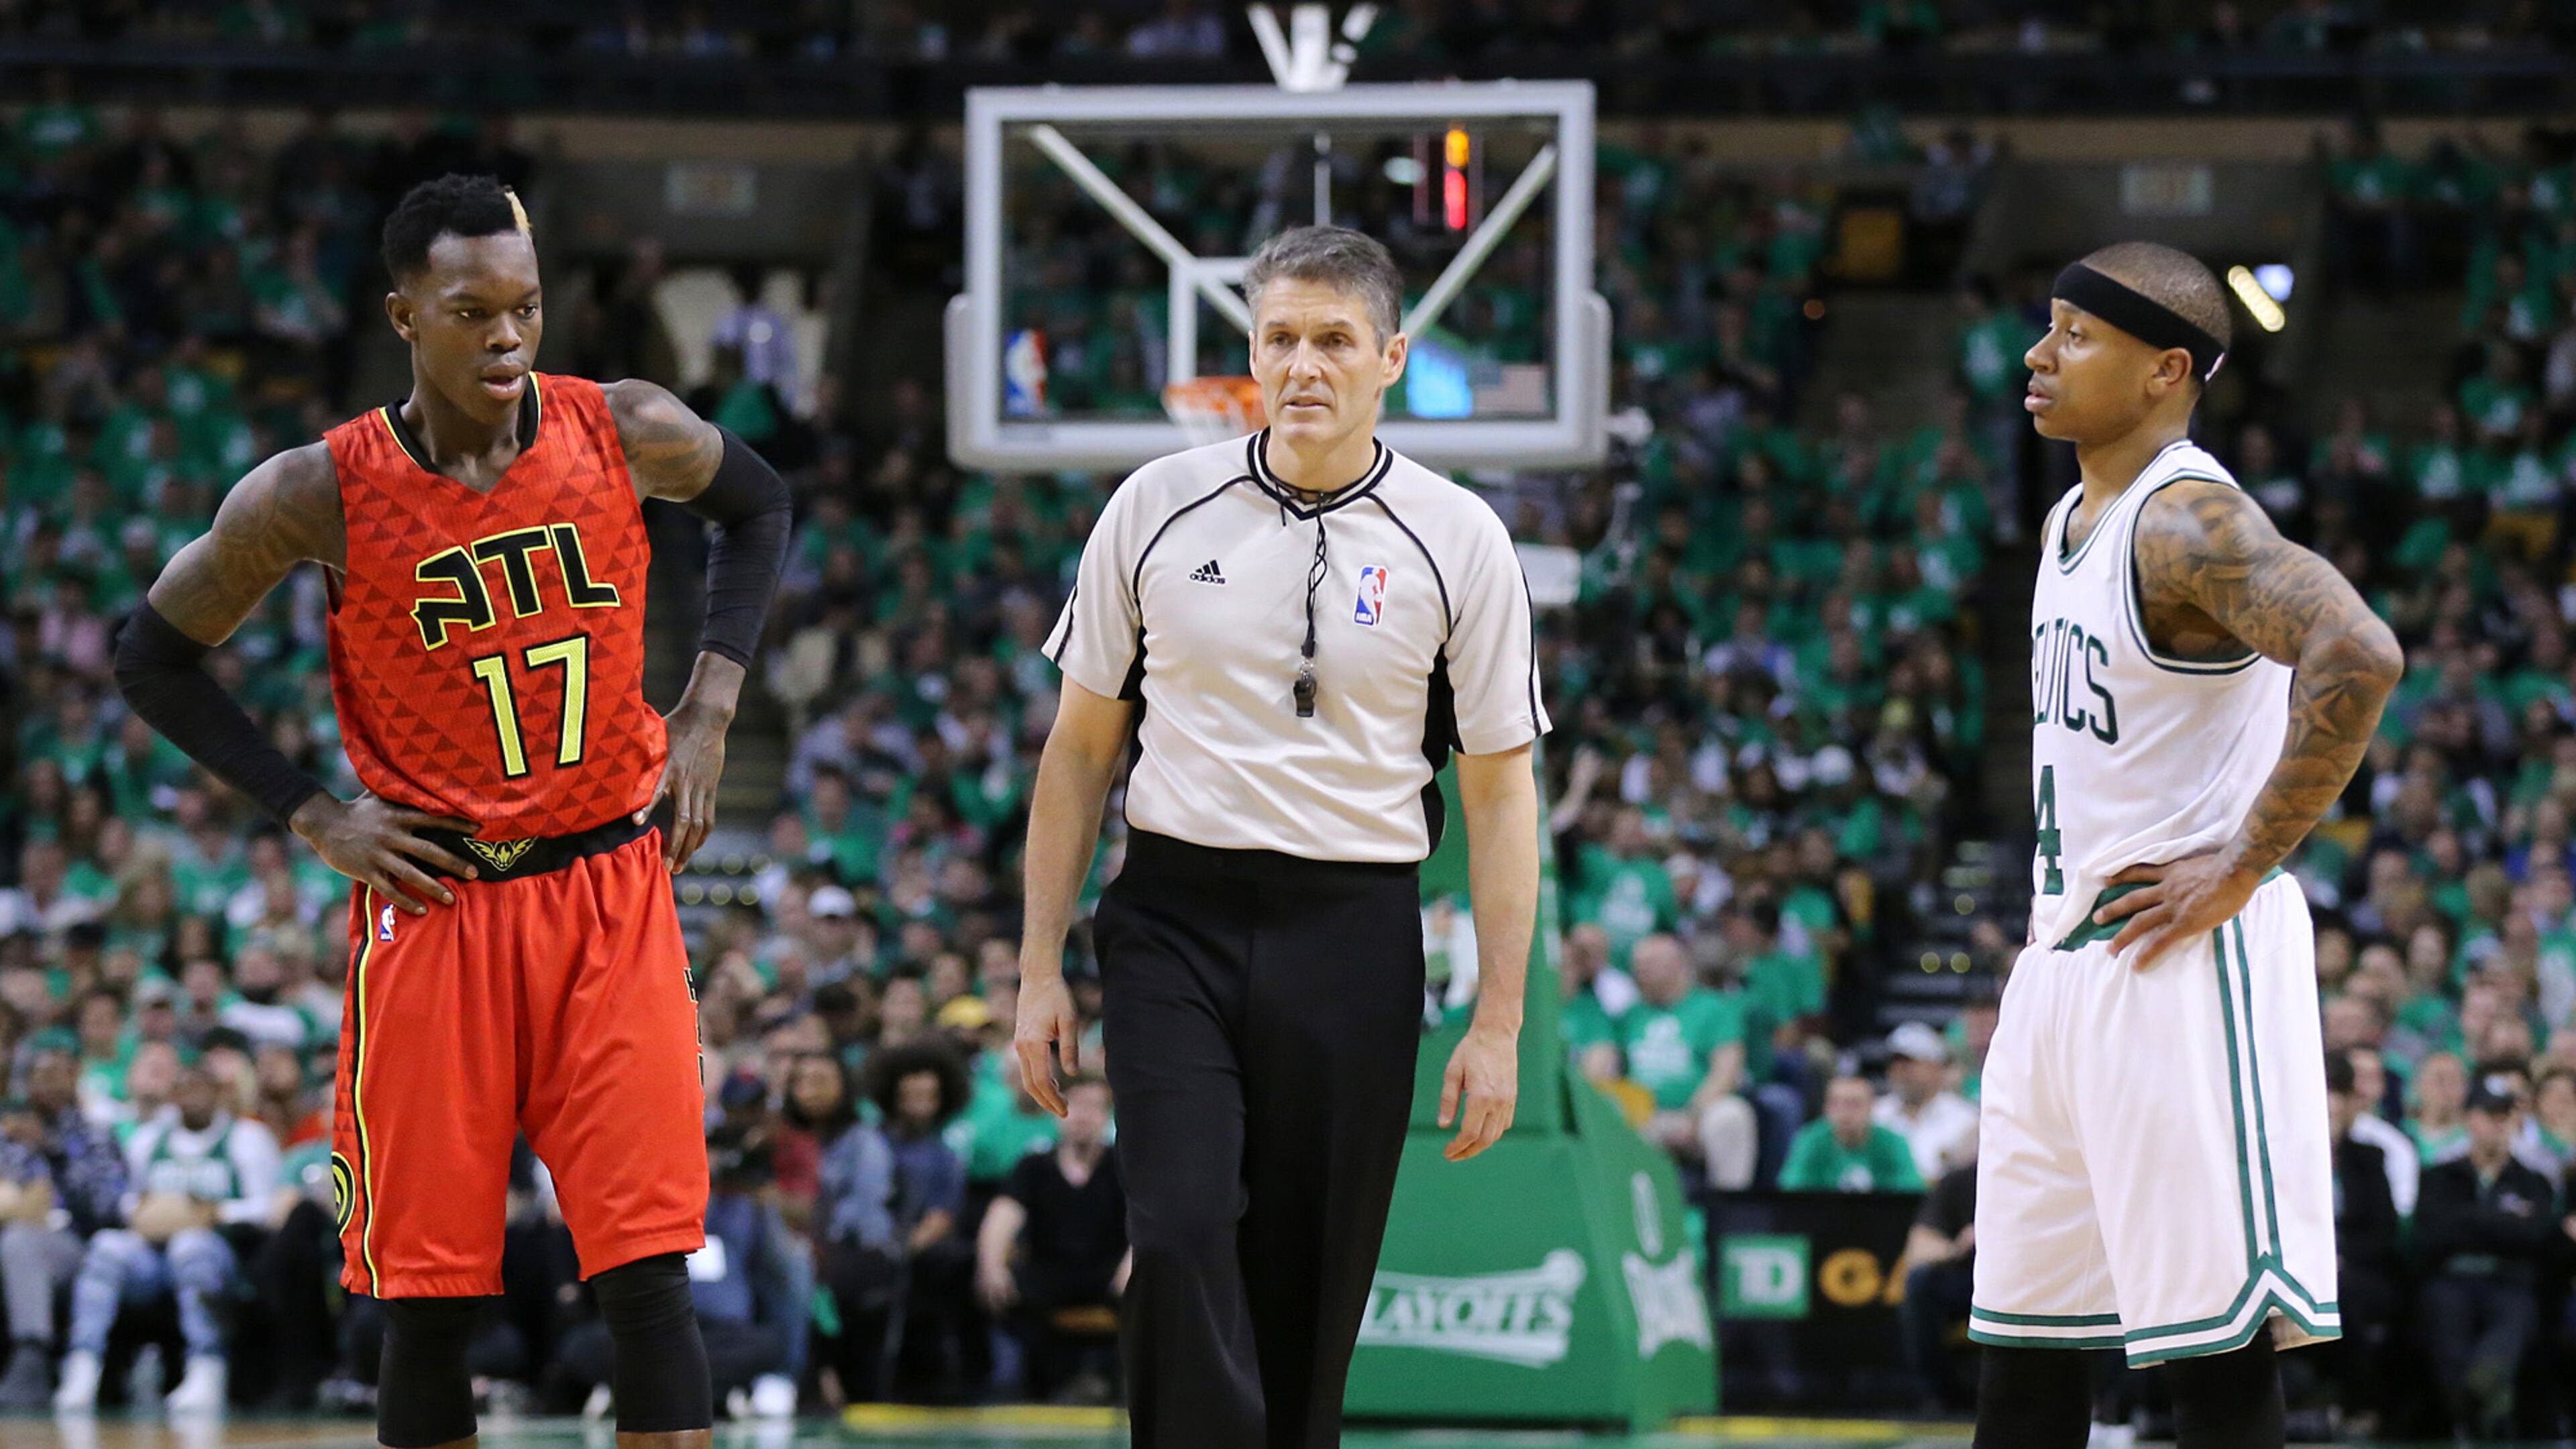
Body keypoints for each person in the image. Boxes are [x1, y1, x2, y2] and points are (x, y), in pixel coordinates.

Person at [109, 173, 793, 1449]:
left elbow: (759, 507)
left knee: (648, 1277)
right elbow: (150, 657)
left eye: (525, 309)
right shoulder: (312, 493)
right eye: (471, 310)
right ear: (404, 316)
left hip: (610, 891)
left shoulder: (625, 427)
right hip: (436, 908)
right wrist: (312, 812)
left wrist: (708, 706)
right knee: (427, 1302)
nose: (505, 338)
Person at [1013, 225, 1546, 1448]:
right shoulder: (1154, 504)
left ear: (1392, 357)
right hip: (1172, 922)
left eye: (1332, 341)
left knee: (1311, 1291)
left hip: (1354, 929)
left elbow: (1503, 797)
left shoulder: (1460, 538)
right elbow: (1081, 751)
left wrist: (1501, 1022)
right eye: (1279, 339)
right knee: (1181, 1226)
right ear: (1250, 354)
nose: (1303, 365)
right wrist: (1039, 966)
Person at [1971, 241, 2404, 1449]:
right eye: (2047, 325)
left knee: (2208, 1367)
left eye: (2075, 335)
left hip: (2181, 962)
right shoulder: (2071, 512)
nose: (2038, 355)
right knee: (2024, 1364)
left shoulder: (2189, 518)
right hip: (2065, 961)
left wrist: (2246, 861)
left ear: (2167, 370)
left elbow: (2359, 652)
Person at [56, 1061, 281, 1411]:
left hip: (222, 1255)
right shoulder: (150, 1139)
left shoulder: (246, 1138)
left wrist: (213, 1213)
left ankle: (206, 1368)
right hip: (152, 1256)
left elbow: (267, 1208)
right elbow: (128, 1200)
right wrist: (151, 1214)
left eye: (200, 1087)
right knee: (106, 1247)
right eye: (184, 1088)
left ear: (219, 1093)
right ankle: (83, 1363)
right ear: (173, 1095)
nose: (192, 1095)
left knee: (190, 1245)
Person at [974, 1077, 1130, 1403]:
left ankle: (1100, 1376)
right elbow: (1002, 1217)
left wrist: (1133, 1264)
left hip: (1107, 1273)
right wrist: (991, 1265)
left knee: (1146, 1289)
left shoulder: (1124, 1166)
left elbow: (1147, 1224)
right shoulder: (1034, 1166)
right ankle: (1037, 1381)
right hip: (1050, 1271)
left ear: (1107, 1115)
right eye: (1075, 1107)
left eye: (1093, 1107)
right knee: (1003, 1288)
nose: (1083, 1116)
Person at [2415, 1078, 2555, 1438]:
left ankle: (2479, 1392)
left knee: (2516, 1316)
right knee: (2444, 1315)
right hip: (2451, 1278)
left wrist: (2468, 1220)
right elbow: (2431, 1237)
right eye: (2489, 1114)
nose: (2498, 1123)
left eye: (2505, 1115)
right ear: (2469, 1119)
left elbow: (2537, 1237)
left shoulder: (2533, 1181)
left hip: (2509, 1281)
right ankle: (2477, 1410)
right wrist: (2503, 1223)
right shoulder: (2439, 1176)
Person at [0, 1049, 127, 1409]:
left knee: (20, 1241)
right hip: (11, 1234)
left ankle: (32, 1355)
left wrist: (52, 1151)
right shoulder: (8, 1137)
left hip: (77, 1245)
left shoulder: (95, 1136)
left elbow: (108, 1209)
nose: (49, 1085)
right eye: (40, 1077)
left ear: (74, 1079)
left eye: (58, 1075)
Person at [1613, 933, 1759, 1189]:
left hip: (1699, 1112)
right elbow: (1616, 1076)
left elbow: (1726, 1072)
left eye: (1649, 965)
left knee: (1732, 1116)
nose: (1639, 973)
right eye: (1637, 966)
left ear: (1677, 965)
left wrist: (1694, 1115)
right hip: (1644, 1117)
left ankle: (1728, 1214)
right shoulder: (1630, 1016)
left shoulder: (1713, 1008)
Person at [2323, 1051, 2400, 1438]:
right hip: (2303, 1268)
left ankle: (2357, 1406)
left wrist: (2341, 1257)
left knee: (2347, 1295)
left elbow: (2384, 1231)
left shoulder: (2370, 1159)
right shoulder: (2285, 1161)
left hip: (2355, 1268)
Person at [1899, 1150, 1978, 1413]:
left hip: (2025, 1278)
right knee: (1921, 1283)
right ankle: (1938, 1393)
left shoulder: (2034, 1180)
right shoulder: (1960, 1181)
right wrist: (1959, 1246)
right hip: (1970, 1278)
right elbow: (1918, 1249)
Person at [1778, 1075, 1924, 1191]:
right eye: (1835, 1103)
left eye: (1854, 1104)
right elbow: (1791, 1190)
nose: (1844, 1113)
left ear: (1871, 1107)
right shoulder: (1809, 1140)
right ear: (1825, 1108)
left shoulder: (1894, 1143)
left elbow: (1912, 1190)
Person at [1876, 1020, 1978, 1182]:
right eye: (1895, 1064)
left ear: (1935, 1067)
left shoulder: (1964, 1117)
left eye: (1910, 1064)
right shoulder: (1876, 1114)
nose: (1901, 1072)